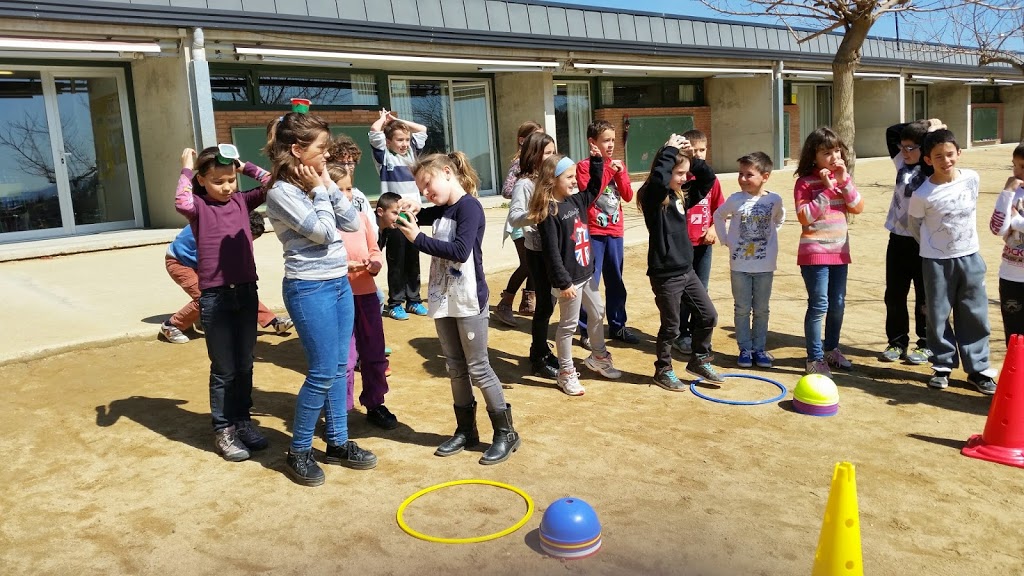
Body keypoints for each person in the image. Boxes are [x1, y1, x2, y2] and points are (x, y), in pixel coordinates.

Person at [266, 111, 377, 486]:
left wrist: (327, 184)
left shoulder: (318, 183)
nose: (327, 154)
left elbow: (350, 223)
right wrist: (320, 192)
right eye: (322, 148)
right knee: (321, 371)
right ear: (298, 150)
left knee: (340, 367)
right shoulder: (281, 192)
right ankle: (298, 451)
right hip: (308, 288)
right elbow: (324, 232)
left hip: (338, 283)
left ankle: (338, 443)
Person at [395, 152, 521, 465]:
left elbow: (461, 251)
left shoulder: (470, 207)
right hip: (444, 297)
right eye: (421, 189)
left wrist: (417, 239)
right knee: (454, 366)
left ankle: (506, 433)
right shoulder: (443, 208)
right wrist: (413, 207)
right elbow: (427, 213)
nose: (426, 192)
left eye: (428, 184)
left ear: (448, 172)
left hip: (468, 300)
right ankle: (466, 430)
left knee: (478, 367)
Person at [174, 145, 271, 462]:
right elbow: (181, 201)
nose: (227, 187)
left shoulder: (242, 200)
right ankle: (224, 430)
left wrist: (245, 167)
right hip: (216, 297)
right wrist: (187, 168)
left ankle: (242, 421)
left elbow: (273, 183)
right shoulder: (199, 207)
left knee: (245, 364)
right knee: (224, 369)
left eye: (231, 180)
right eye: (218, 181)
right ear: (202, 180)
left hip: (246, 291)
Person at [908, 129, 998, 395]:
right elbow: (915, 226)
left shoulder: (972, 178)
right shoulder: (922, 194)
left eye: (950, 154)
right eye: (938, 156)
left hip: (970, 257)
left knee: (974, 312)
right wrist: (934, 247)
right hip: (936, 262)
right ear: (928, 160)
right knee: (937, 314)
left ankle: (978, 369)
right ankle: (942, 365)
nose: (945, 160)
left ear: (959, 153)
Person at [637, 134, 724, 391]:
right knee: (671, 327)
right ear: (666, 170)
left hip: (686, 270)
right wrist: (669, 150)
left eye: (686, 173)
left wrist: (692, 158)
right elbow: (658, 181)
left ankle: (699, 359)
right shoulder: (653, 197)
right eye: (679, 173)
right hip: (665, 274)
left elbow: (708, 179)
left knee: (708, 315)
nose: (685, 178)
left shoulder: (681, 196)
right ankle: (663, 370)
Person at [533, 145, 622, 396]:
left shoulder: (575, 199)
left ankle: (598, 357)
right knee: (568, 326)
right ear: (553, 180)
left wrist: (596, 162)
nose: (575, 181)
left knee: (597, 311)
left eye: (575, 176)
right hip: (569, 282)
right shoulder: (549, 212)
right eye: (569, 177)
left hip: (586, 274)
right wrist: (563, 282)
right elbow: (551, 253)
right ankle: (566, 372)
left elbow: (594, 188)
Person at [327, 163, 396, 430]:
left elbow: (374, 249)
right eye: (339, 190)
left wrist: (375, 263)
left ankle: (375, 403)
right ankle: (340, 411)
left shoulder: (362, 219)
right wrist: (345, 266)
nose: (346, 195)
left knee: (374, 352)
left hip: (366, 294)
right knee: (344, 359)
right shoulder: (323, 223)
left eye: (349, 189)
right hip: (337, 296)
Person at [794, 127, 864, 377]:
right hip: (814, 253)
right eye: (826, 153)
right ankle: (814, 358)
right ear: (813, 156)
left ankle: (832, 349)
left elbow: (857, 207)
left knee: (838, 304)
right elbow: (804, 217)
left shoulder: (842, 178)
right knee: (819, 304)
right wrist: (826, 190)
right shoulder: (804, 183)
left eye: (836, 151)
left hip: (839, 252)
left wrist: (843, 181)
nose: (834, 157)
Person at [161, 213, 292, 344]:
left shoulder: (232, 230)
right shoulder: (217, 231)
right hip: (179, 262)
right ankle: (171, 325)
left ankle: (273, 322)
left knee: (240, 289)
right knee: (205, 297)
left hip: (201, 263)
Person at [880, 118, 946, 364]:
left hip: (923, 243)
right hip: (898, 240)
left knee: (924, 297)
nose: (905, 152)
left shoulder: (931, 169)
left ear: (925, 149)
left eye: (911, 148)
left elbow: (937, 146)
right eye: (903, 147)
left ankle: (926, 343)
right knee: (894, 294)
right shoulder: (901, 162)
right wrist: (925, 123)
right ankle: (897, 342)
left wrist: (933, 133)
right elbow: (891, 131)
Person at [713, 152, 785, 369]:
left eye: (749, 175)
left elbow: (779, 218)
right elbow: (718, 215)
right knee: (742, 308)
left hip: (764, 266)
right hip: (740, 265)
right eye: (740, 174)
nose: (743, 179)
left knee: (762, 309)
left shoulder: (774, 200)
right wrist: (726, 239)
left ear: (765, 176)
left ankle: (759, 349)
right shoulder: (735, 200)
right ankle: (745, 349)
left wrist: (768, 238)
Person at [576, 120, 637, 348]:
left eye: (613, 140)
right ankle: (586, 329)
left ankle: (618, 325)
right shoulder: (583, 167)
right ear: (592, 142)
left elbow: (628, 195)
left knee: (616, 280)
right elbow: (590, 194)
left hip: (615, 231)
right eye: (605, 140)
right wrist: (608, 170)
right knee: (590, 282)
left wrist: (619, 174)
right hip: (593, 232)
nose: (610, 145)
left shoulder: (618, 165)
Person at [504, 131, 560, 378]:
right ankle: (538, 356)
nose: (552, 157)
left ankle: (541, 349)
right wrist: (537, 215)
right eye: (547, 153)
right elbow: (515, 217)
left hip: (555, 250)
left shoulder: (551, 180)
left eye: (553, 152)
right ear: (534, 155)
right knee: (544, 306)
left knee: (551, 304)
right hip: (537, 251)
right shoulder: (524, 184)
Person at [370, 109, 429, 321]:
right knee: (396, 262)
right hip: (394, 219)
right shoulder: (384, 157)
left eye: (406, 139)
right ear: (388, 142)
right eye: (399, 140)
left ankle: (414, 300)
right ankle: (395, 303)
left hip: (412, 217)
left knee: (413, 260)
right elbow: (374, 131)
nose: (404, 144)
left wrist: (397, 120)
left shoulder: (413, 155)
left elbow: (422, 129)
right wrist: (383, 120)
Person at [673, 129, 725, 356]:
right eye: (693, 151)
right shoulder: (680, 180)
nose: (698, 154)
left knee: (701, 290)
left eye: (702, 150)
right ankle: (680, 333)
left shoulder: (711, 180)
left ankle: (697, 333)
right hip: (683, 248)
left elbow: (720, 209)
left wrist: (713, 228)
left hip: (703, 245)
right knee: (682, 291)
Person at [494, 120, 544, 325]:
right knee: (527, 264)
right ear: (523, 141)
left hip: (535, 222)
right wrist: (526, 191)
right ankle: (505, 303)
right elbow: (507, 190)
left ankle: (528, 301)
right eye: (535, 137)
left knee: (535, 262)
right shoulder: (519, 163)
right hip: (521, 222)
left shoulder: (541, 162)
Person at [990, 144, 1024, 344]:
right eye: (1014, 165)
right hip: (1011, 275)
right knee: (1014, 334)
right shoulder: (1012, 194)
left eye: (1023, 167)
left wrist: (1016, 222)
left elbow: (1011, 224)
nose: (1017, 172)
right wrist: (1007, 192)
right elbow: (997, 229)